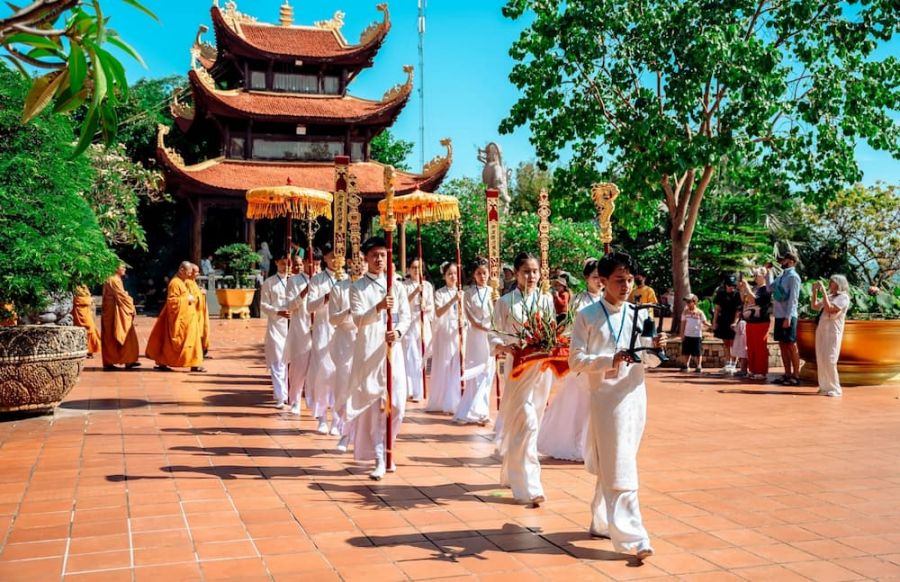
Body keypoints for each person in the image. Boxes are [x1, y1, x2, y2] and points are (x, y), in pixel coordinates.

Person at [568, 252, 665, 560]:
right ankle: (634, 537)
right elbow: (575, 361)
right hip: (607, 400)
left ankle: (600, 521)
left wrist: (656, 349)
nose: (626, 286)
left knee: (617, 460)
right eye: (619, 280)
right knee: (621, 466)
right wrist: (610, 359)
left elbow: (648, 360)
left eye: (630, 280)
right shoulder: (587, 315)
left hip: (634, 396)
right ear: (603, 281)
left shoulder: (639, 314)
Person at [490, 252, 556, 506]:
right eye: (526, 271)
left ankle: (511, 470)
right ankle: (528, 485)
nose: (531, 276)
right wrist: (504, 346)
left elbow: (552, 330)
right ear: (516, 274)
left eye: (535, 271)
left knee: (531, 422)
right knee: (526, 423)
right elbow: (493, 332)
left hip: (540, 370)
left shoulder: (546, 300)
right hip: (517, 368)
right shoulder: (505, 302)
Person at [346, 237, 411, 480]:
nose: (379, 259)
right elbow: (357, 319)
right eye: (374, 255)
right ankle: (380, 457)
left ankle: (388, 446)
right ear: (366, 258)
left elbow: (406, 316)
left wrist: (399, 332)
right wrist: (379, 307)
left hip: (392, 351)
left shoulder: (397, 286)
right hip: (369, 351)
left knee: (398, 405)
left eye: (383, 255)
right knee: (375, 407)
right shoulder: (358, 287)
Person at [538, 258, 604, 462]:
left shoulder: (607, 299)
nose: (599, 282)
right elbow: (570, 328)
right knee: (579, 403)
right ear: (586, 278)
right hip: (583, 357)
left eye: (602, 277)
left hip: (602, 357)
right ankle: (575, 443)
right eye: (595, 277)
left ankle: (595, 444)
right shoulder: (579, 300)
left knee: (597, 403)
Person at [454, 258, 495, 426]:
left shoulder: (493, 291)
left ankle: (482, 411)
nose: (482, 276)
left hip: (490, 335)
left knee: (488, 372)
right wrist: (483, 327)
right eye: (479, 273)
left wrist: (493, 329)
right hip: (476, 334)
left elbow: (498, 312)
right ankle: (468, 411)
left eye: (484, 273)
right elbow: (469, 316)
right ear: (474, 275)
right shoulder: (468, 293)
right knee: (476, 372)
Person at [145, 262, 205, 373]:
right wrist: (187, 299)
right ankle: (164, 361)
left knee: (193, 341)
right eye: (188, 272)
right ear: (181, 270)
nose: (190, 275)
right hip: (180, 319)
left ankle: (195, 363)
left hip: (188, 318)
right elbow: (172, 302)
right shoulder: (175, 283)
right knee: (176, 342)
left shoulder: (182, 282)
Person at [329, 253, 361, 452]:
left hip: (366, 340)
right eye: (357, 261)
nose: (360, 265)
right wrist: (348, 311)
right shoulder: (339, 288)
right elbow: (332, 319)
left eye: (363, 261)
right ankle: (340, 422)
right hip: (344, 339)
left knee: (363, 389)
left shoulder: (375, 287)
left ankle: (351, 433)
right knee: (343, 386)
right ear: (350, 263)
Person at [307, 246, 339, 434]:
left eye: (339, 256)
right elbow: (310, 306)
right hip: (323, 330)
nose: (336, 260)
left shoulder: (348, 279)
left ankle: (337, 419)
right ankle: (321, 417)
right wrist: (326, 297)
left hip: (342, 332)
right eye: (332, 256)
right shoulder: (317, 280)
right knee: (322, 373)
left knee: (340, 376)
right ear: (325, 258)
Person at [426, 262, 466, 415]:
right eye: (449, 274)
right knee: (445, 365)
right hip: (444, 333)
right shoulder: (440, 293)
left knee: (457, 365)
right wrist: (453, 300)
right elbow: (438, 312)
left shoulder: (462, 293)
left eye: (455, 273)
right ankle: (441, 400)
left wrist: (464, 322)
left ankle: (455, 401)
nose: (453, 276)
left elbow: (466, 313)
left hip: (457, 333)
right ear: (444, 276)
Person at [260, 254, 292, 407]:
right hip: (276, 326)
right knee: (277, 360)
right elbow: (264, 305)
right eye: (282, 263)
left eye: (288, 264)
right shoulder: (269, 282)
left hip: (292, 326)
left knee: (288, 362)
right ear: (276, 263)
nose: (285, 267)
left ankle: (286, 394)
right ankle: (280, 396)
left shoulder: (294, 281)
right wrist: (278, 312)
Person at [811, 275, 850, 397]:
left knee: (830, 359)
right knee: (821, 357)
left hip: (833, 330)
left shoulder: (843, 297)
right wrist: (814, 292)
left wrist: (823, 292)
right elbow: (815, 306)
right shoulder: (830, 296)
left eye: (832, 282)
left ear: (838, 284)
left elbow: (830, 309)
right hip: (822, 328)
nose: (829, 283)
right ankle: (824, 387)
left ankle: (835, 388)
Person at [402, 258, 434, 403]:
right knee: (411, 357)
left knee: (421, 357)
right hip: (410, 325)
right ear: (409, 269)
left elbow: (432, 306)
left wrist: (425, 307)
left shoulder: (427, 286)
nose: (416, 270)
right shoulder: (404, 286)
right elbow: (402, 304)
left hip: (422, 323)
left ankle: (419, 389)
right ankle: (411, 390)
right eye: (414, 267)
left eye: (419, 267)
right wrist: (416, 291)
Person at [284, 255, 312, 416]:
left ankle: (316, 400)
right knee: (298, 368)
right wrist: (305, 291)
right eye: (311, 262)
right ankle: (295, 400)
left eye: (317, 263)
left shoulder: (323, 279)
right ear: (306, 262)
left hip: (320, 329)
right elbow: (290, 305)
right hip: (301, 328)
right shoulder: (293, 281)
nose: (314, 266)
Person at [101, 264, 141, 370]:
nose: (124, 269)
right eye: (122, 267)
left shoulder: (115, 279)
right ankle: (112, 362)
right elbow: (121, 296)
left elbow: (121, 295)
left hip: (117, 310)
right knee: (115, 335)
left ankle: (128, 360)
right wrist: (131, 305)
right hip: (113, 312)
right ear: (115, 268)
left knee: (125, 333)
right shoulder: (113, 279)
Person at [771, 253, 802, 386]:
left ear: (791, 261)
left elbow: (794, 298)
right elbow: (769, 288)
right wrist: (768, 272)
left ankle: (796, 375)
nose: (781, 262)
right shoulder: (781, 276)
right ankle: (787, 374)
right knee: (782, 345)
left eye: (784, 259)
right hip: (778, 315)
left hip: (788, 315)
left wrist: (788, 317)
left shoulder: (794, 277)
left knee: (791, 345)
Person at [745, 268, 772, 380]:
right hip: (750, 321)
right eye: (754, 274)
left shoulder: (766, 289)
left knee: (759, 347)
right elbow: (745, 300)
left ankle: (761, 371)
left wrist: (746, 287)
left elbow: (754, 300)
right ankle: (752, 369)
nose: (755, 277)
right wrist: (743, 288)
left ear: (764, 276)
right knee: (751, 347)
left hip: (761, 321)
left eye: (757, 274)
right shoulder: (755, 289)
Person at [712, 275, 742, 374]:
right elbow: (717, 309)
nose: (731, 287)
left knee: (733, 343)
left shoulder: (737, 294)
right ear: (725, 285)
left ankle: (733, 364)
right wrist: (714, 322)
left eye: (733, 285)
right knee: (726, 343)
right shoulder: (721, 293)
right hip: (723, 320)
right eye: (729, 285)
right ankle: (728, 363)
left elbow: (738, 310)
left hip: (733, 321)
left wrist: (735, 322)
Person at [679, 294, 710, 373]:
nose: (688, 304)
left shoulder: (700, 312)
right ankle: (686, 365)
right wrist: (682, 334)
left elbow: (705, 322)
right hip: (687, 334)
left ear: (694, 302)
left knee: (698, 352)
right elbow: (683, 323)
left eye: (689, 302)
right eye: (687, 302)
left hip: (697, 335)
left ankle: (699, 366)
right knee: (686, 351)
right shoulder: (685, 312)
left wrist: (712, 326)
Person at [71, 285, 101, 357]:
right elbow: (83, 300)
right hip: (81, 314)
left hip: (84, 314)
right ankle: (87, 350)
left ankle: (89, 350)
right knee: (87, 330)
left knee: (90, 330)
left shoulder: (83, 287)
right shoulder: (76, 288)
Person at [189, 264, 210, 357]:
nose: (198, 274)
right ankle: (196, 353)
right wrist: (200, 293)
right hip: (194, 313)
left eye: (198, 272)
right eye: (196, 272)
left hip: (200, 312)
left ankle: (201, 351)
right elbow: (190, 297)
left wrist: (199, 290)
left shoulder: (193, 282)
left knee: (202, 332)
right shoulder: (187, 283)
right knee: (196, 333)